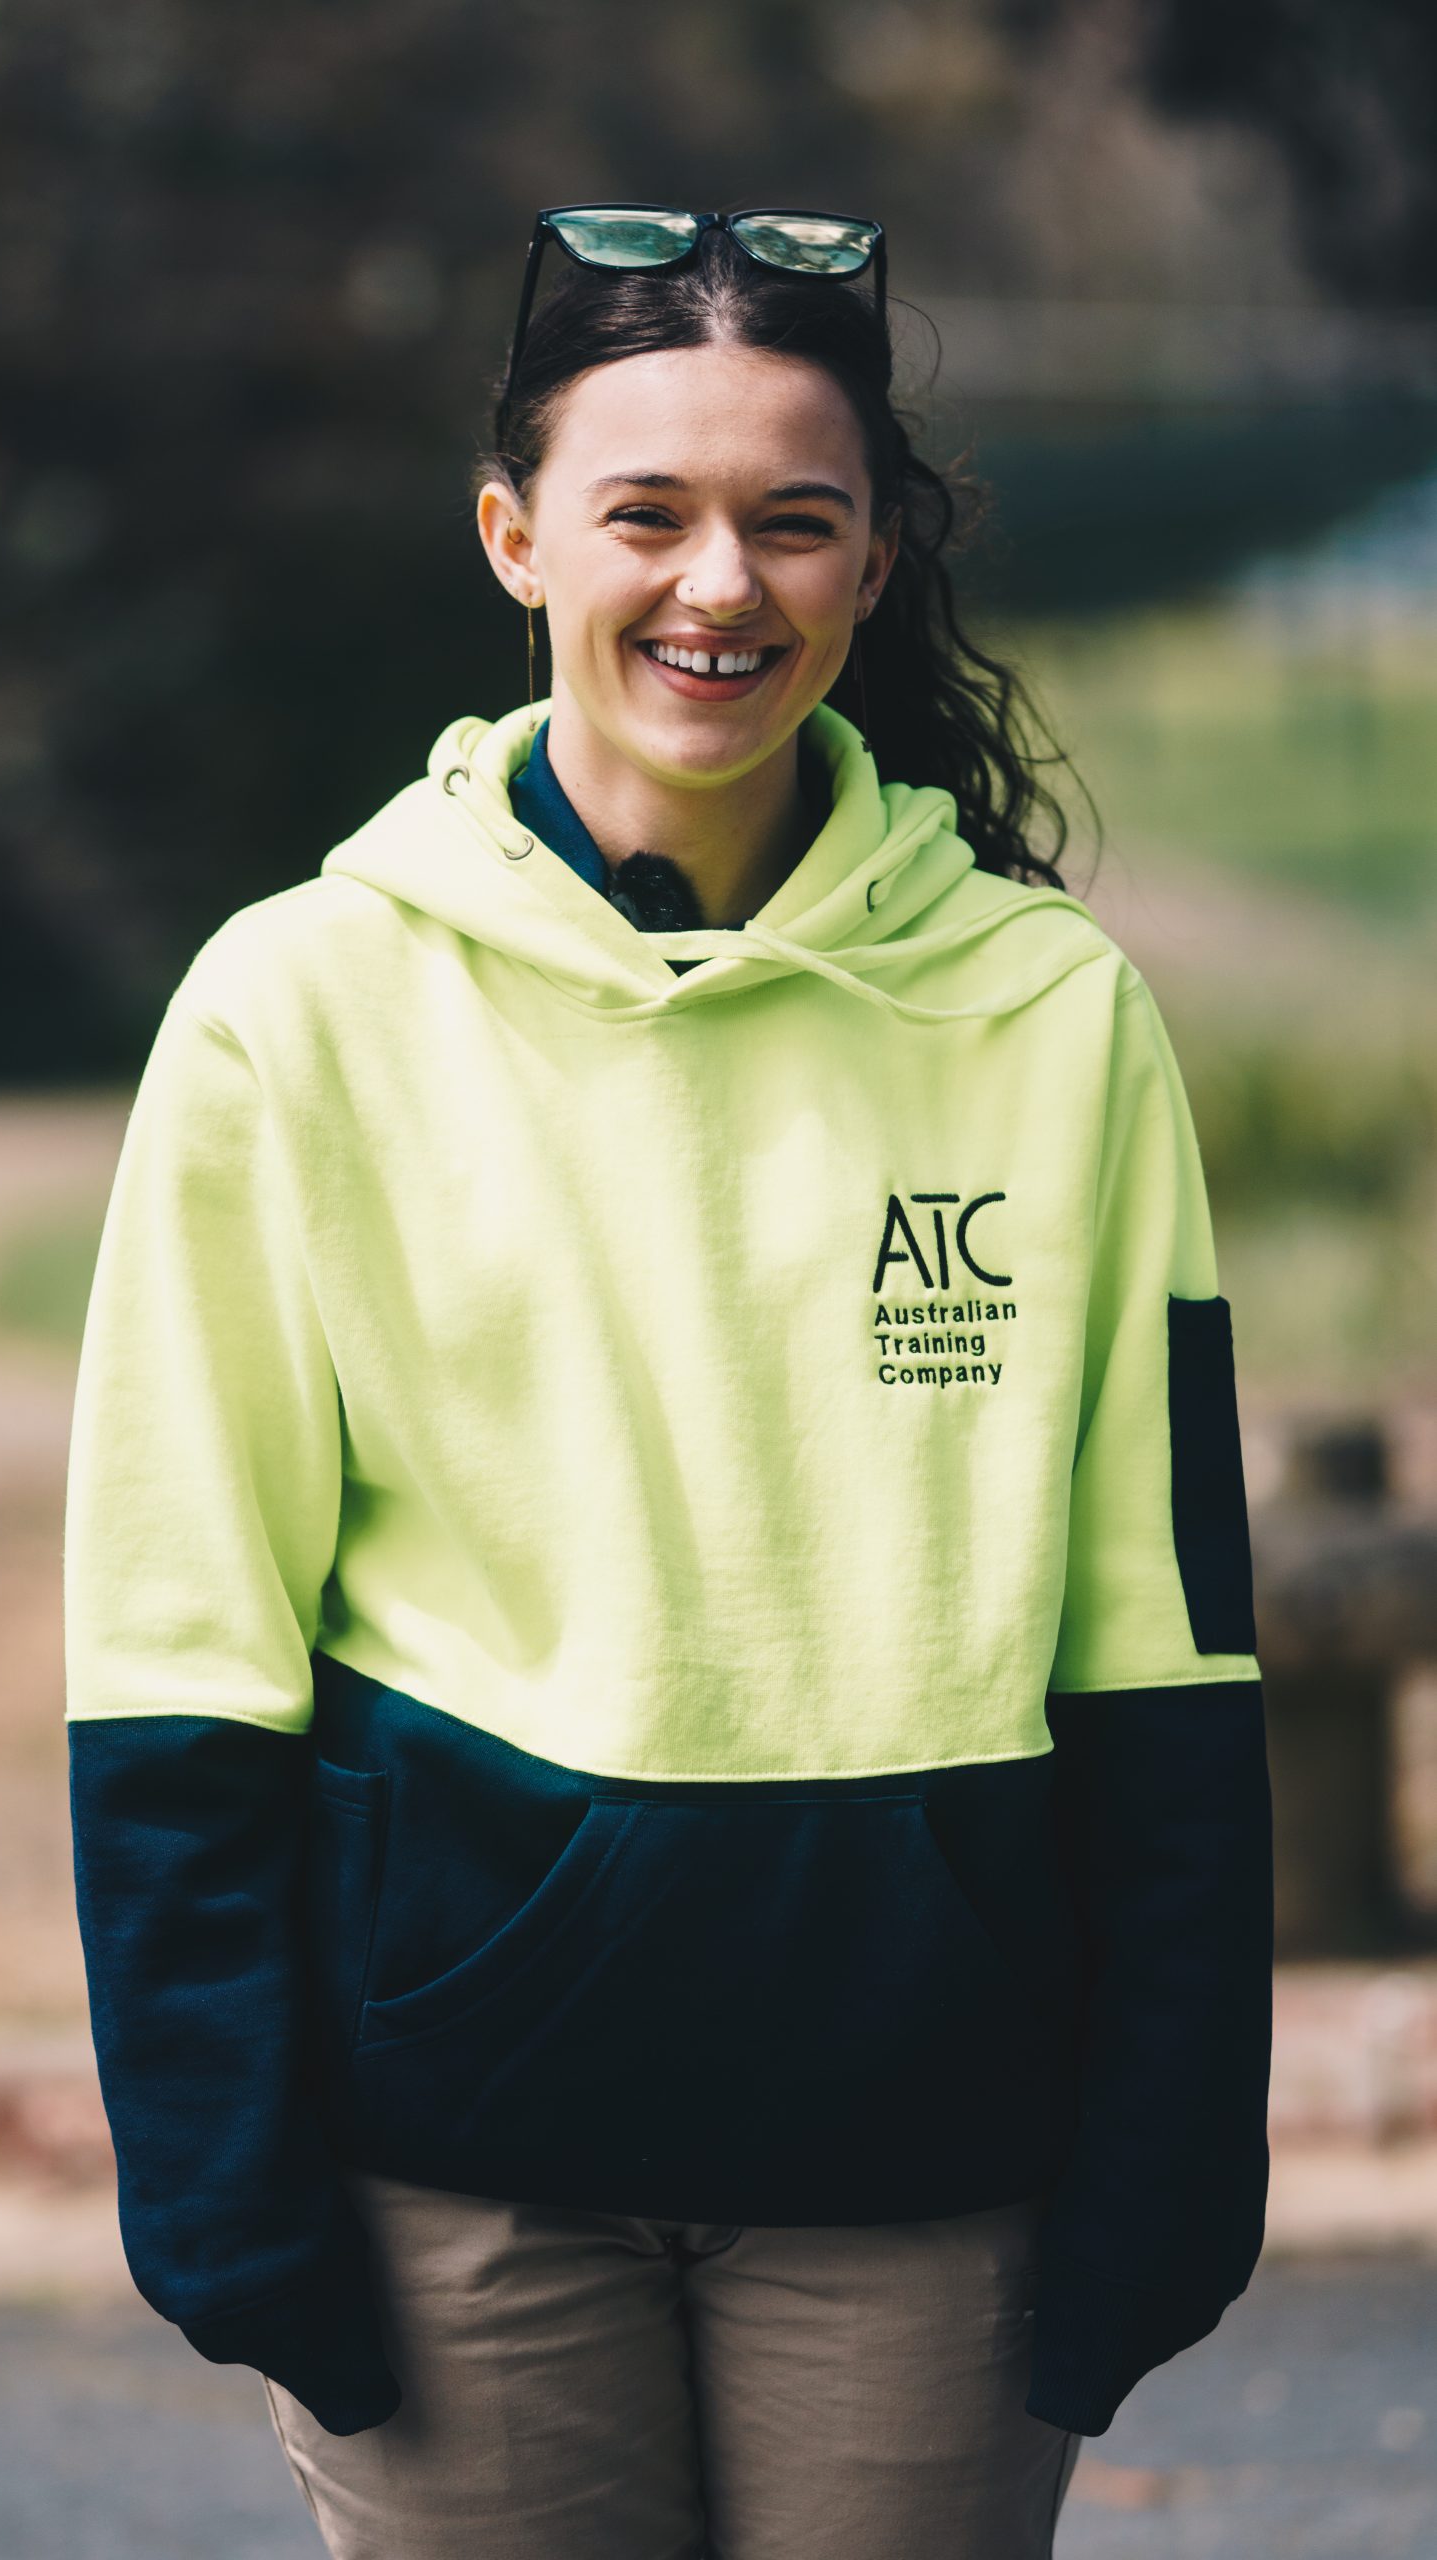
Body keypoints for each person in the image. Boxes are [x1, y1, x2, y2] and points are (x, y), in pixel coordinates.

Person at [63, 204, 1273, 2560]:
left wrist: (1164, 2156)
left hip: (925, 2145)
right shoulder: (295, 1007)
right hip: (450, 2164)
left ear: (873, 559)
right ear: (514, 536)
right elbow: (177, 1630)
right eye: (644, 512)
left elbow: (1163, 1629)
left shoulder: (1045, 1012)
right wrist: (220, 2175)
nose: (717, 583)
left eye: (790, 518)